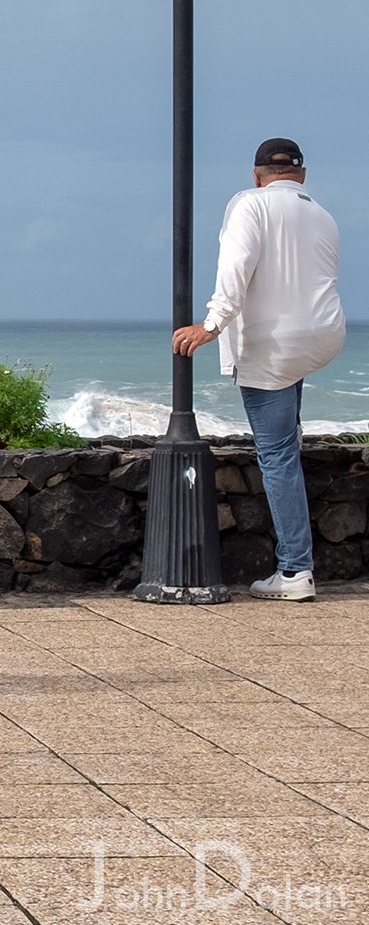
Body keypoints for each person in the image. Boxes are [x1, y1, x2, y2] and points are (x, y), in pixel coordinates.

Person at [173, 136, 345, 603]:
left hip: (274, 344)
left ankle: (294, 572)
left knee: (278, 456)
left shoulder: (249, 203)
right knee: (288, 441)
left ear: (257, 175)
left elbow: (237, 265)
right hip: (323, 335)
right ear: (302, 175)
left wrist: (211, 324)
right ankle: (295, 564)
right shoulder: (322, 214)